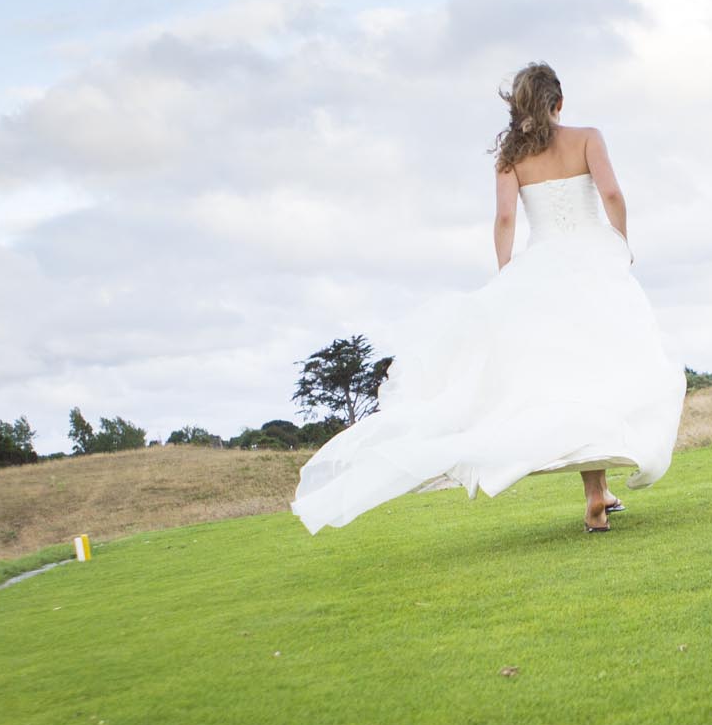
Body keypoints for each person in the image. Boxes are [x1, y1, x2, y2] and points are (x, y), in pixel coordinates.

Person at [292, 63, 686, 535]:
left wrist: (509, 277)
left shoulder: (510, 157)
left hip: (541, 271)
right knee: (599, 371)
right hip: (592, 264)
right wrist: (619, 244)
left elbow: (504, 220)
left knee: (568, 378)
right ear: (558, 102)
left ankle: (597, 494)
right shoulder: (588, 138)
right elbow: (613, 195)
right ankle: (597, 493)